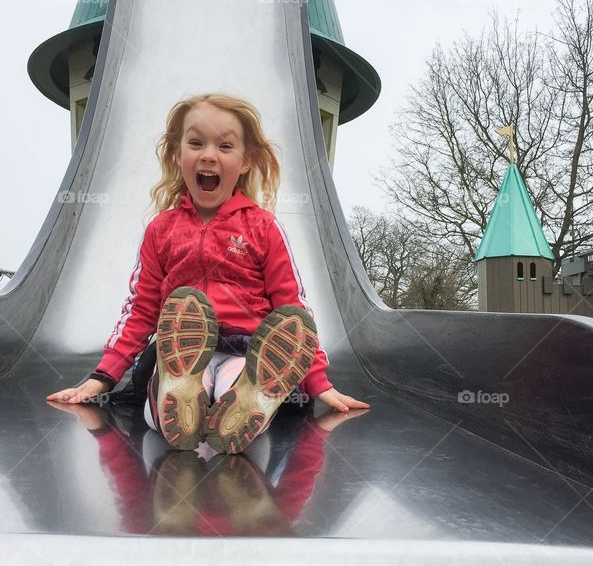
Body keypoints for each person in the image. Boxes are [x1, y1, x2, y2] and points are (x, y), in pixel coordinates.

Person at [47, 93, 369, 453]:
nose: (209, 155)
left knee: (235, 384)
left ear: (246, 161)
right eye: (196, 143)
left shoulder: (262, 228)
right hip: (179, 349)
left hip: (248, 350)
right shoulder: (162, 230)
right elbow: (141, 310)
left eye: (225, 146)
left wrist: (318, 382)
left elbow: (292, 311)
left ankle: (245, 401)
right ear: (176, 153)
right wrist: (101, 378)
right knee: (168, 397)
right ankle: (180, 394)